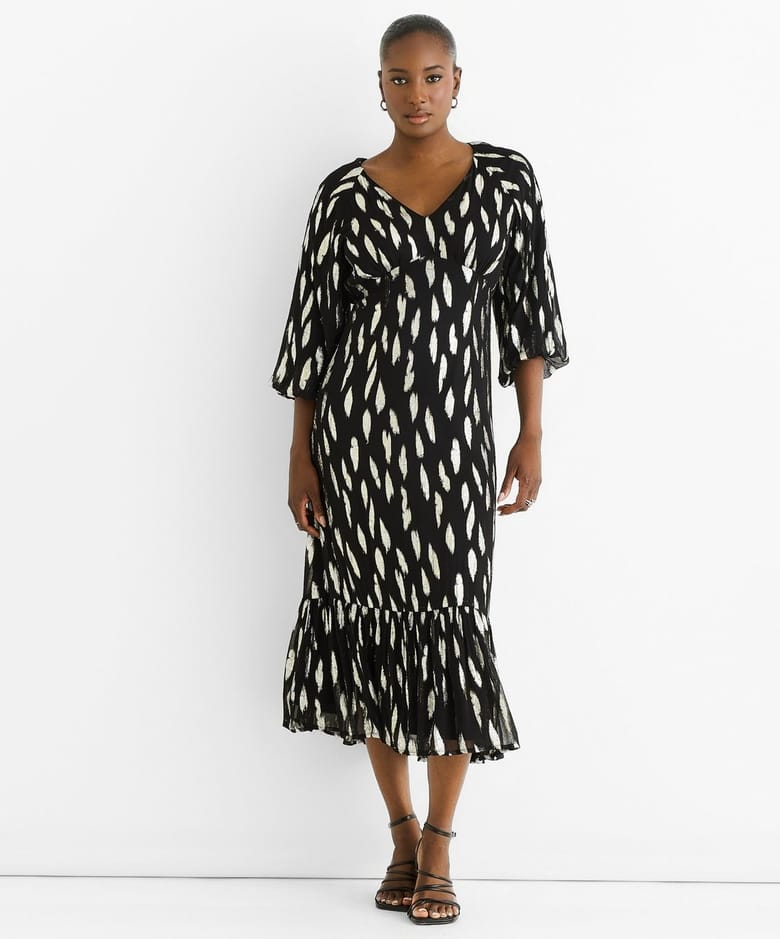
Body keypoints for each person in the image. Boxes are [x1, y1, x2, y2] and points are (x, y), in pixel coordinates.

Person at [270, 13, 569, 925]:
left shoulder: (507, 182)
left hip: (453, 452)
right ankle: (400, 832)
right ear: (379, 87)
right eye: (399, 79)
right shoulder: (342, 197)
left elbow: (529, 317)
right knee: (368, 634)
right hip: (358, 452)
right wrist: (301, 453)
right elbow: (313, 336)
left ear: (458, 81)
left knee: (451, 632)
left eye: (433, 76)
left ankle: (440, 844)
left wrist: (530, 434)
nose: (417, 94)